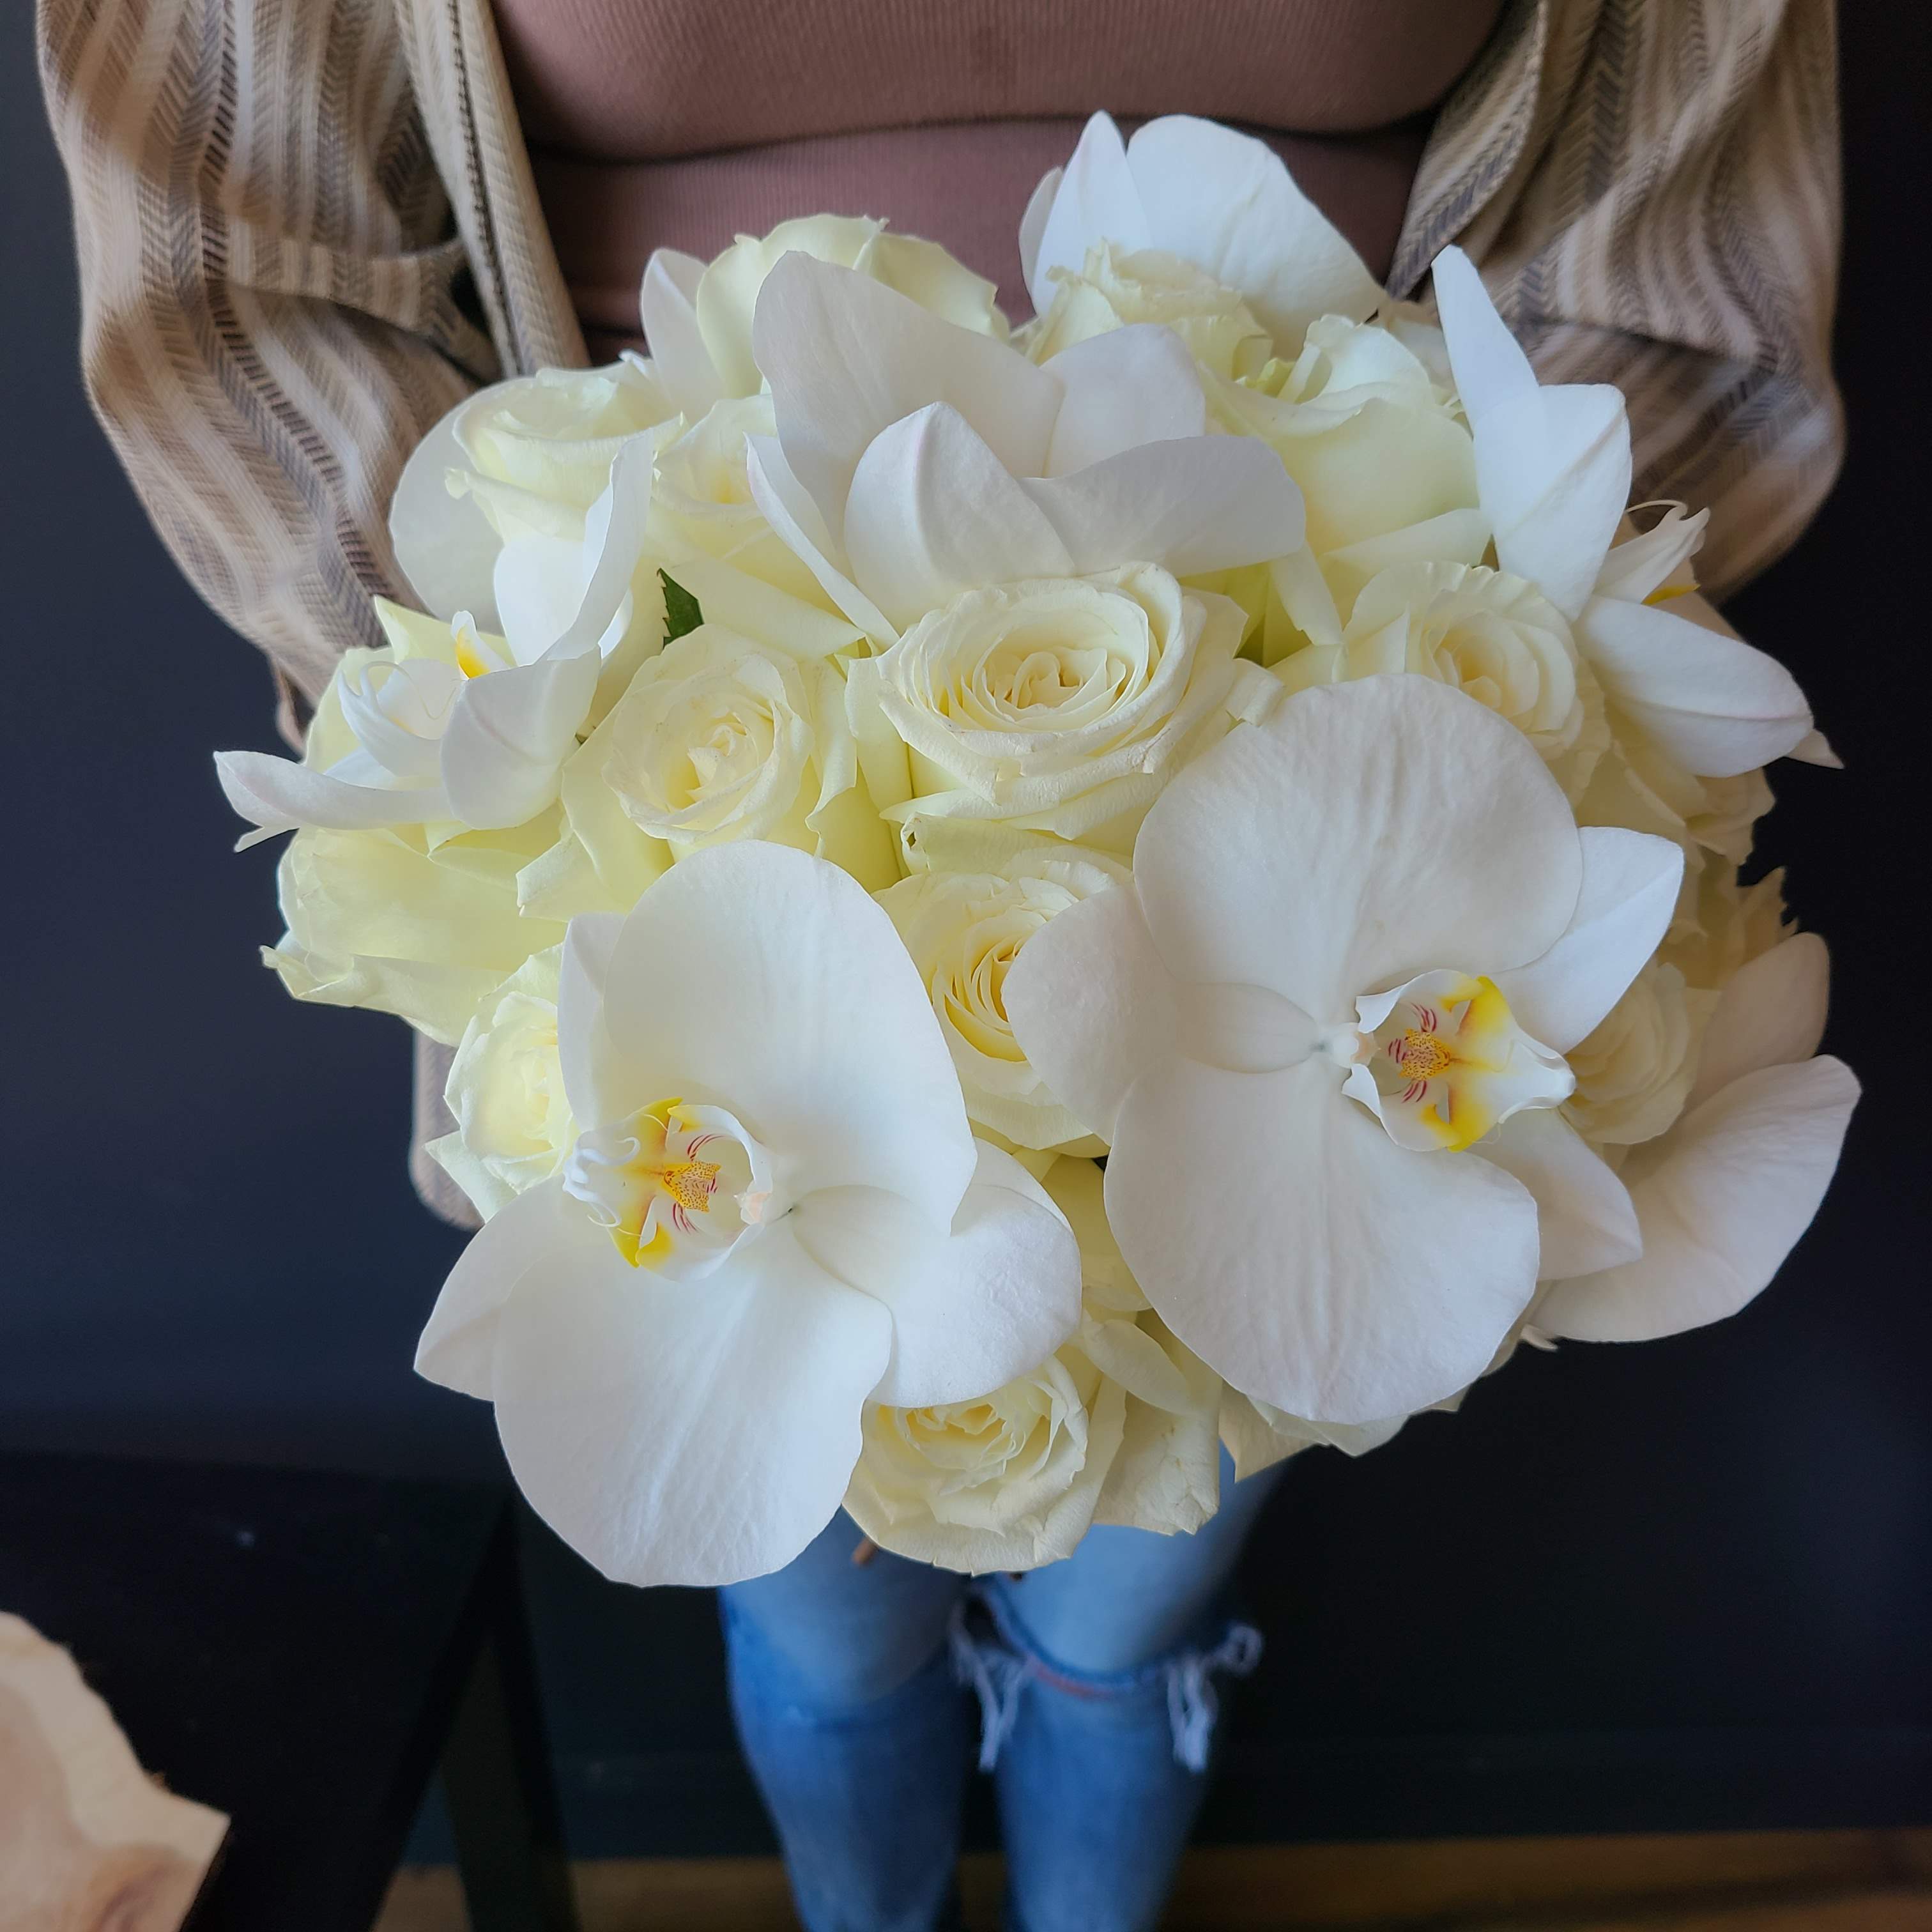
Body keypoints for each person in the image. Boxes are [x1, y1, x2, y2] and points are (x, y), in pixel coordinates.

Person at [37, 4, 1843, 1927]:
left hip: (1325, 739)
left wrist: (1427, 667)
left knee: (1134, 1611)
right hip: (664, 769)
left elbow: (1683, 287)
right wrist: (546, 672)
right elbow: (226, 277)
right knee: (815, 1619)